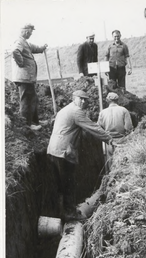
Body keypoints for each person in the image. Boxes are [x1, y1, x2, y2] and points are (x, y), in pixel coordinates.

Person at [47, 90, 112, 221]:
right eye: (80, 99)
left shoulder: (66, 109)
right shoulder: (76, 112)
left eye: (85, 99)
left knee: (61, 183)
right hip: (63, 151)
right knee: (68, 183)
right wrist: (109, 138)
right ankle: (70, 214)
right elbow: (92, 127)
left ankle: (63, 212)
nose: (83, 101)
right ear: (74, 98)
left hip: (54, 150)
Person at [12, 23, 48, 130]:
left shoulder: (25, 43)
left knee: (32, 99)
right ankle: (28, 125)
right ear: (26, 31)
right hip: (24, 78)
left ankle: (35, 121)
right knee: (26, 100)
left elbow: (34, 48)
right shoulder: (19, 42)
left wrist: (42, 48)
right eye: (31, 32)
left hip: (27, 78)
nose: (31, 34)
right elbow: (15, 51)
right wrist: (21, 63)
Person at [97, 92, 133, 171]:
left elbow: (99, 128)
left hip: (109, 142)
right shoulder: (124, 110)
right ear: (118, 100)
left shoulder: (102, 113)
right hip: (122, 141)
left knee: (110, 164)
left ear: (107, 100)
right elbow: (129, 128)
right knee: (123, 164)